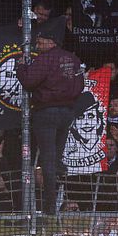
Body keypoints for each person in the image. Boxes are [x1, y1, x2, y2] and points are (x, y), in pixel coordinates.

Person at [16, 29, 84, 215]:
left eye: (40, 41)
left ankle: (49, 207)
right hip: (67, 112)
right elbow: (81, 85)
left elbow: (29, 81)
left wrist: (21, 66)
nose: (37, 45)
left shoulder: (45, 59)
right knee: (56, 159)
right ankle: (61, 197)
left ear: (50, 41)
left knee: (47, 159)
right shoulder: (73, 59)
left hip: (46, 112)